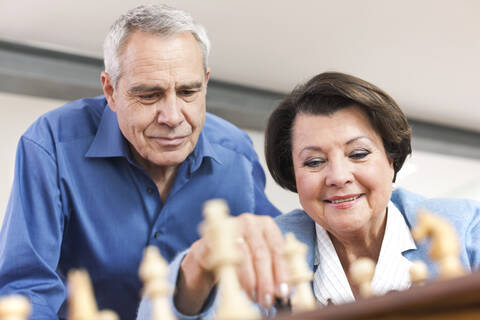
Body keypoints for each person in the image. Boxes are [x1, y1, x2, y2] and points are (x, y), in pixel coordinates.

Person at [0, 4, 280, 319]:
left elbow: (275, 261)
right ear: (110, 90)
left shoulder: (236, 154)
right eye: (149, 95)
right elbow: (26, 288)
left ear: (206, 82)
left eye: (188, 91)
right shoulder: (51, 145)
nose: (173, 117)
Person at [139, 72, 480, 319]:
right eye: (314, 162)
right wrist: (199, 264)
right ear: (294, 175)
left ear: (391, 160)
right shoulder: (271, 251)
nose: (338, 177)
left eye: (358, 154)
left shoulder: (464, 229)